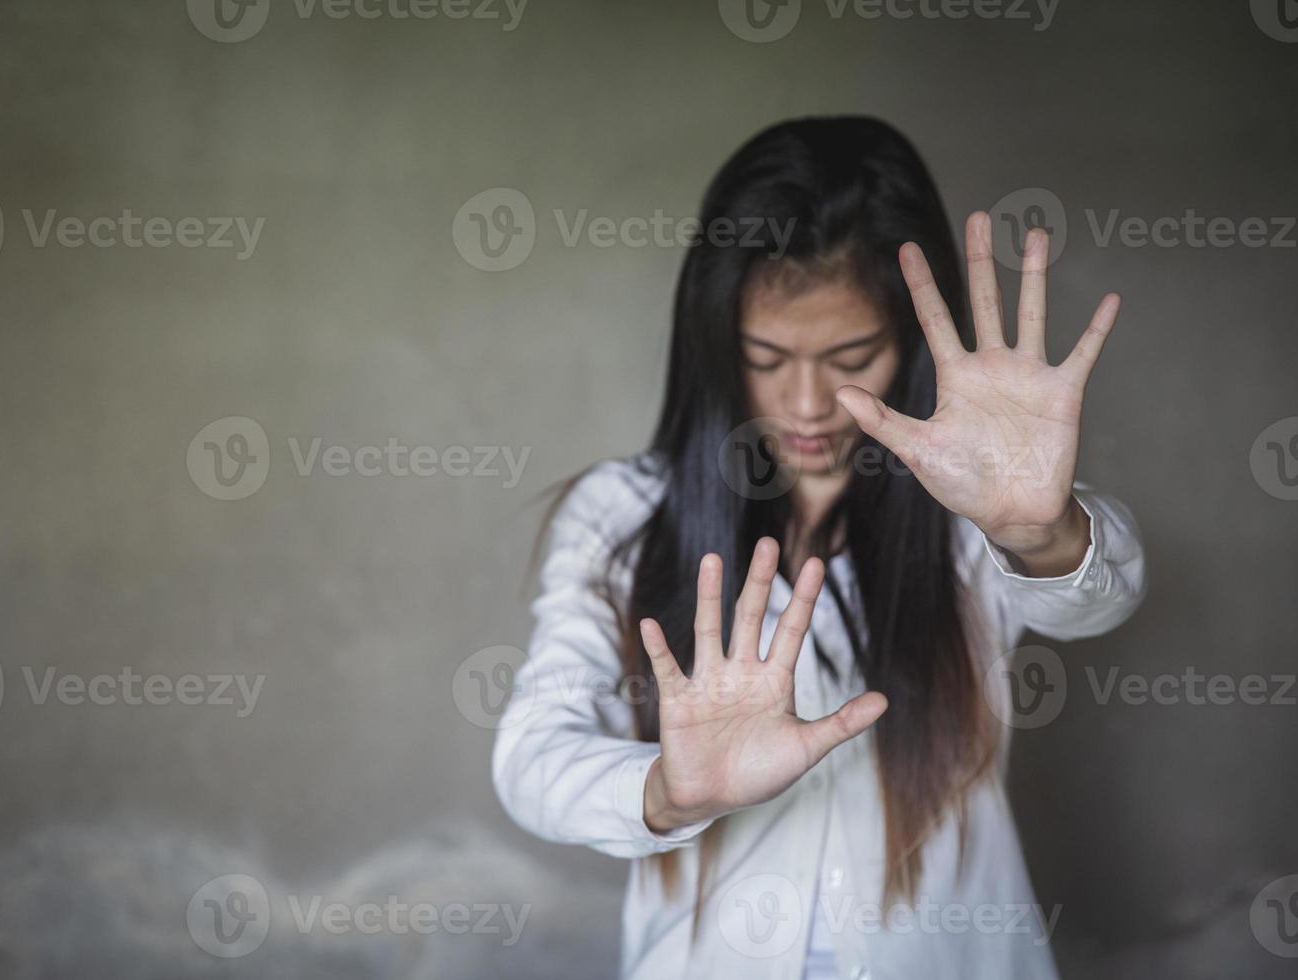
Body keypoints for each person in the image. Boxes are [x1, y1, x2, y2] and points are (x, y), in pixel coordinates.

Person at [491, 116, 1147, 980]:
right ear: (718, 343)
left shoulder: (962, 512)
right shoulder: (621, 515)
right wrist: (666, 791)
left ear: (909, 339)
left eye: (851, 356)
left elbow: (1101, 594)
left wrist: (1038, 528)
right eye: (767, 357)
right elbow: (531, 753)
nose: (805, 406)